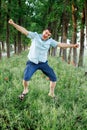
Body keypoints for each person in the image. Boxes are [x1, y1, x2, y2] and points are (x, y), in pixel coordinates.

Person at [8, 19, 79, 99]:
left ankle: (51, 93)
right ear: (43, 31)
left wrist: (73, 46)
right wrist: (13, 24)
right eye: (46, 33)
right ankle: (25, 90)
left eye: (48, 34)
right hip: (32, 62)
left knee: (53, 78)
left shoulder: (50, 41)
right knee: (26, 77)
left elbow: (61, 44)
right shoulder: (35, 36)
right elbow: (24, 31)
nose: (46, 35)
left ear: (50, 36)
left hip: (43, 63)